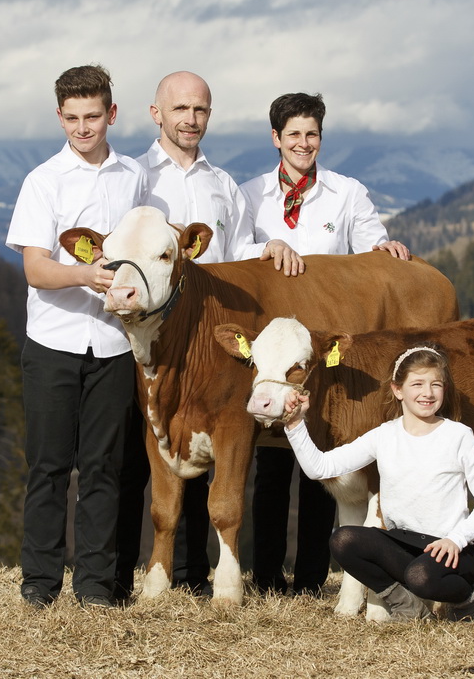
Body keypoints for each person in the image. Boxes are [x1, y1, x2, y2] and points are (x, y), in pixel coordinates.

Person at [114, 71, 306, 601]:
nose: (190, 119)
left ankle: (196, 573)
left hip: (210, 338)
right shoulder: (135, 179)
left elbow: (242, 254)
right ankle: (130, 569)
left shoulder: (222, 186)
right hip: (153, 334)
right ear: (157, 114)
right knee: (151, 448)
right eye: (179, 109)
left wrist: (271, 248)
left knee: (209, 442)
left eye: (199, 110)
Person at [239, 92, 409, 597]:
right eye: (293, 134)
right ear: (276, 139)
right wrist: (263, 247)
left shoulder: (346, 192)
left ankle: (313, 577)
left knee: (324, 466)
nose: (303, 143)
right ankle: (267, 575)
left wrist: (385, 249)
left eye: (311, 134)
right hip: (274, 354)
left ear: (320, 137)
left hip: (326, 356)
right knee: (270, 467)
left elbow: (369, 248)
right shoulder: (249, 195)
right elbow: (231, 256)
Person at [6, 64, 149, 608]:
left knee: (104, 470)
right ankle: (39, 584)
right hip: (53, 343)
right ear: (59, 116)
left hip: (115, 345)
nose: (83, 128)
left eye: (93, 116)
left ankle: (95, 589)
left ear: (111, 114)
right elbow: (36, 269)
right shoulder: (43, 181)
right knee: (46, 467)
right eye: (72, 118)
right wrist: (86, 275)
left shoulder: (134, 177)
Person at [281, 344, 474, 622]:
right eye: (418, 384)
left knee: (421, 576)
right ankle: (406, 606)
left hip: (456, 550)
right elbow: (320, 468)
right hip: (404, 542)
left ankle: (469, 599)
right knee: (343, 540)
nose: (428, 392)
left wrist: (456, 540)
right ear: (397, 390)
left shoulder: (458, 435)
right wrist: (295, 425)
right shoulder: (384, 436)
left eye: (436, 384)